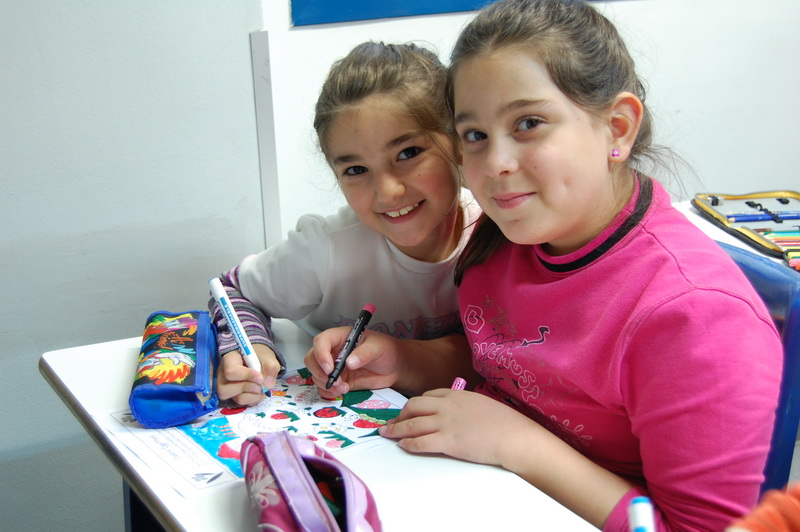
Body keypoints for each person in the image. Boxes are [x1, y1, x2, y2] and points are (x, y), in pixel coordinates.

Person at [307, 1, 784, 530]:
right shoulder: (505, 238)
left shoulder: (697, 317)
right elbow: (507, 363)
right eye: (475, 136)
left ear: (617, 128)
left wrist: (519, 444)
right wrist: (405, 360)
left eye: (528, 124)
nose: (496, 164)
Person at [209, 41, 481, 406]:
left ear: (459, 142)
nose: (388, 192)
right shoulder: (327, 248)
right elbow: (232, 290)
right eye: (356, 170)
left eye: (408, 153)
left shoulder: (498, 234)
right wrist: (252, 347)